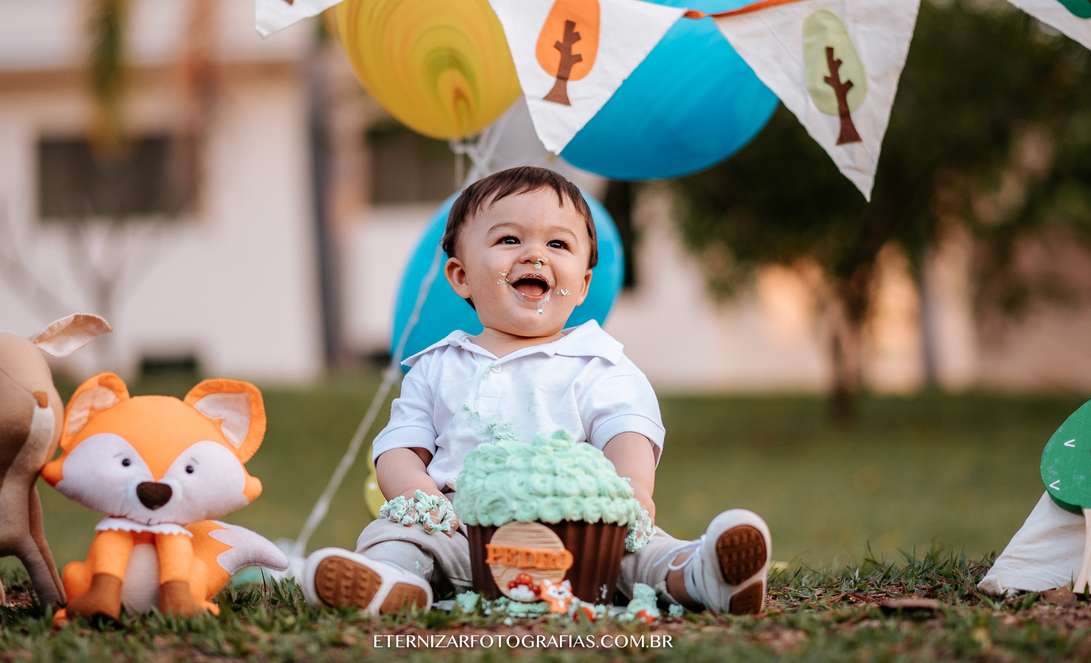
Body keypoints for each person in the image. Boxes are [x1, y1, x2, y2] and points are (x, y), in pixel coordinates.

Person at [300, 166, 771, 616]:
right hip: (465, 531)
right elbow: (399, 447)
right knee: (396, 535)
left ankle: (699, 574)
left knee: (640, 549)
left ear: (583, 284)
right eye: (509, 239)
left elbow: (627, 433)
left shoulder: (600, 362)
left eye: (558, 243)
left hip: (580, 536)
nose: (534, 254)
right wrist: (421, 496)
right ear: (461, 276)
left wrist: (632, 492)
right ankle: (392, 582)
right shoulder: (436, 365)